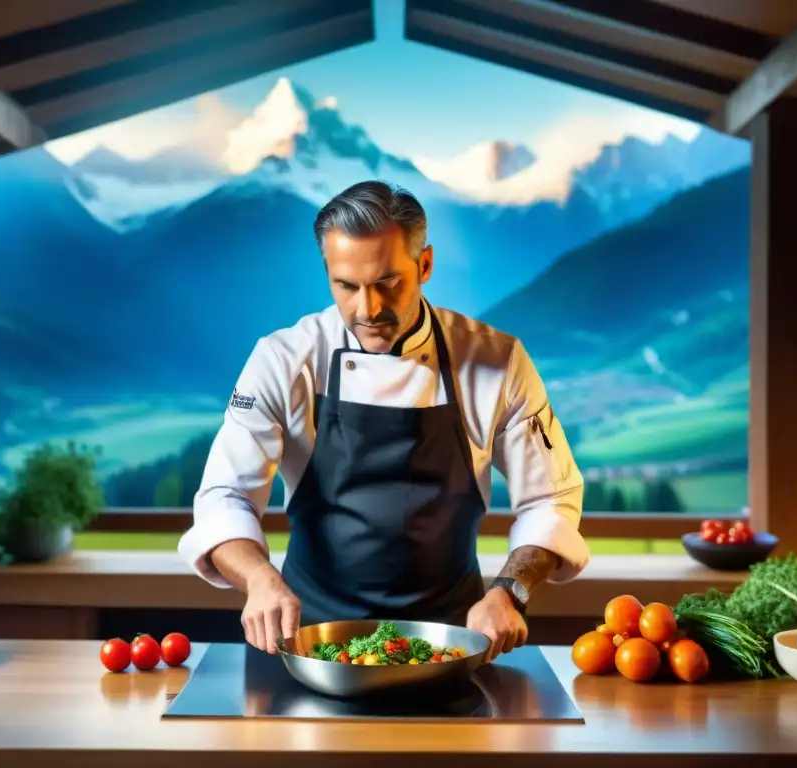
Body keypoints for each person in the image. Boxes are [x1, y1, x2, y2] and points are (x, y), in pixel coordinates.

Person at [178, 180, 589, 663]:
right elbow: (224, 496)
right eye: (346, 287)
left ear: (426, 265)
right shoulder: (284, 359)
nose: (367, 309)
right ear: (328, 272)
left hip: (452, 645)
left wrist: (508, 593)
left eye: (387, 283)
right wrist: (260, 579)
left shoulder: (495, 361)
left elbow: (551, 499)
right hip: (308, 642)